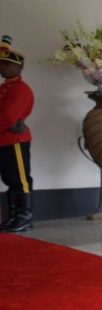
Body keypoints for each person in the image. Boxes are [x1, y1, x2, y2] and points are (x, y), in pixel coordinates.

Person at [0, 35, 34, 233]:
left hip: (15, 140)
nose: (3, 68)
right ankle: (14, 216)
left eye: (7, 64)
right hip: (4, 139)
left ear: (18, 68)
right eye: (2, 64)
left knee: (20, 179)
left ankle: (24, 217)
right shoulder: (4, 88)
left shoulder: (21, 89)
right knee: (9, 179)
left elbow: (8, 117)